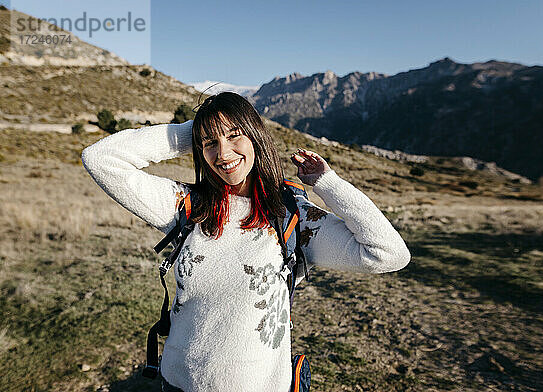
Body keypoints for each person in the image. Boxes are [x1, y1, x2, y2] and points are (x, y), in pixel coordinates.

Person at [81, 92, 411, 392]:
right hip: (178, 385)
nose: (223, 154)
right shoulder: (187, 205)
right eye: (210, 143)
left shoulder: (291, 217)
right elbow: (100, 158)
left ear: (255, 136)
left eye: (235, 135)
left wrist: (329, 185)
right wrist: (195, 131)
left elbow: (388, 254)